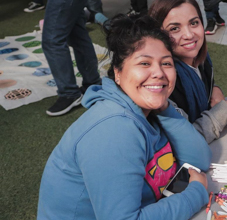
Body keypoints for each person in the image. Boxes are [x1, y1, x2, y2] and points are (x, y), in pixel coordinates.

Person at [37, 14, 212, 219]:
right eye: (144, 63)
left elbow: (199, 161)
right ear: (117, 72)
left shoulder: (149, 108)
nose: (159, 73)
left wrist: (164, 108)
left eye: (166, 63)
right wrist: (196, 193)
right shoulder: (113, 129)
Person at [148, 0, 227, 143]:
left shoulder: (200, 59)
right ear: (158, 35)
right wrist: (223, 111)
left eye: (194, 23)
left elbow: (203, 82)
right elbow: (184, 141)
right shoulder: (161, 82)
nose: (189, 35)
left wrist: (213, 89)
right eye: (175, 29)